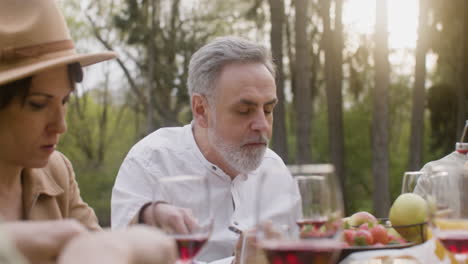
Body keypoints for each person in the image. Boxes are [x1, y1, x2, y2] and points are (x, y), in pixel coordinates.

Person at [0, 0, 176, 263]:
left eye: (65, 101)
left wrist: (145, 220)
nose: (61, 125)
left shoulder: (57, 171)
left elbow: (98, 249)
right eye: (37, 104)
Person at [112, 36, 300, 263]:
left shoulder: (275, 170)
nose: (262, 126)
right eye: (244, 110)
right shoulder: (151, 163)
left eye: (268, 110)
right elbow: (123, 257)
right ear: (201, 109)